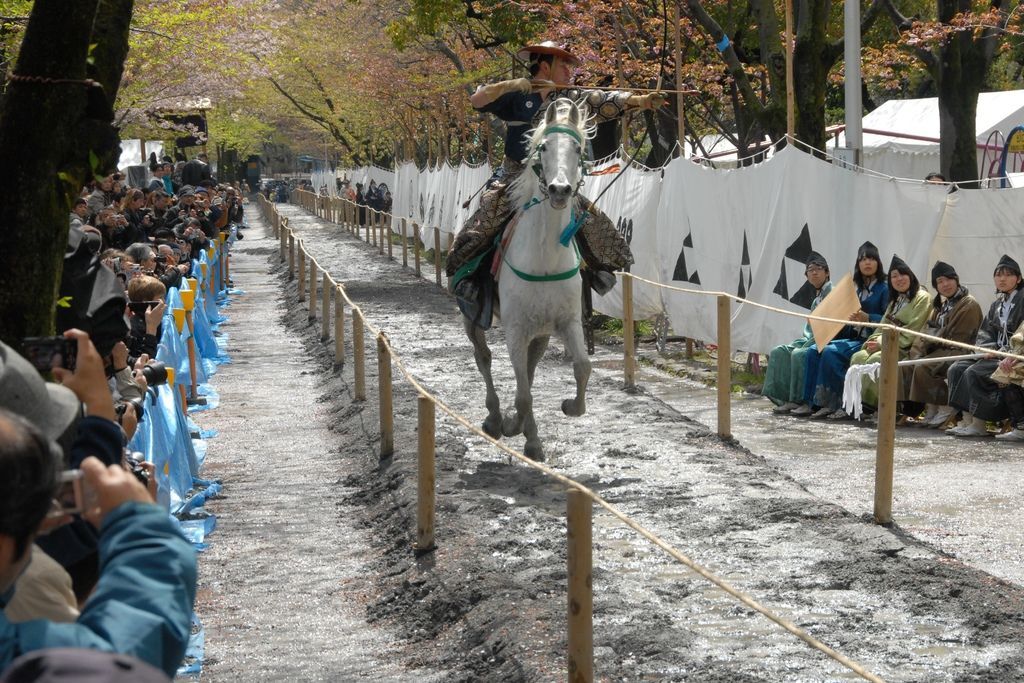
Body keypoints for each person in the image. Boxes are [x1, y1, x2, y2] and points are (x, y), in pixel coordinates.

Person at [447, 41, 665, 299]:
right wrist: (509, 85)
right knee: (487, 217)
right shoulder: (518, 94)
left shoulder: (567, 98)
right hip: (515, 176)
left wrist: (640, 100)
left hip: (554, 179)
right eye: (563, 65)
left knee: (591, 221)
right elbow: (477, 100)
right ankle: (471, 277)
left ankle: (595, 271)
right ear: (544, 66)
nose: (568, 72)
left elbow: (600, 100)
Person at [797, 241, 890, 419]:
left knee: (831, 353)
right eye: (863, 259)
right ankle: (814, 403)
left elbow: (888, 317)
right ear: (858, 264)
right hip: (853, 336)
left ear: (878, 262)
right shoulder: (855, 288)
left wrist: (869, 318)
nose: (867, 263)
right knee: (813, 350)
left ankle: (844, 404)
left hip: (870, 339)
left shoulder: (884, 288)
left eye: (871, 258)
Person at [946, 254, 1024, 437]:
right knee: (956, 369)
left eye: (1008, 274)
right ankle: (968, 421)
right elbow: (986, 333)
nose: (1002, 279)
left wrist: (1006, 352)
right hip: (995, 353)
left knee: (973, 372)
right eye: (998, 275)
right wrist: (985, 349)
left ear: (1018, 278)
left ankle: (984, 423)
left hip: (1015, 354)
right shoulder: (996, 305)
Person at [902, 262, 983, 427]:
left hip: (960, 350)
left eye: (948, 279)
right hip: (940, 348)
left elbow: (959, 337)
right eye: (939, 282)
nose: (945, 284)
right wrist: (922, 347)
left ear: (956, 279)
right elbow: (927, 331)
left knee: (924, 365)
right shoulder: (941, 305)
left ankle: (945, 407)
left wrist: (933, 339)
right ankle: (930, 406)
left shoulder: (969, 303)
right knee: (911, 362)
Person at [847, 255, 932, 413]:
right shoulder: (895, 300)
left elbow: (912, 329)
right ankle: (856, 404)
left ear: (910, 276)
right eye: (894, 276)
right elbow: (882, 326)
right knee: (858, 356)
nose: (899, 279)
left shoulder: (922, 297)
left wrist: (881, 343)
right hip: (885, 342)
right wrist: (872, 341)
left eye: (902, 274)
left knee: (877, 360)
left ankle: (876, 406)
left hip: (904, 347)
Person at [763, 251, 833, 414]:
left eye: (818, 268)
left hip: (827, 338)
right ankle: (786, 397)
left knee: (799, 354)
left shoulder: (833, 292)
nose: (814, 272)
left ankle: (801, 399)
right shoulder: (817, 298)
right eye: (810, 270)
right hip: (810, 337)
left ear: (827, 272)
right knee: (779, 351)